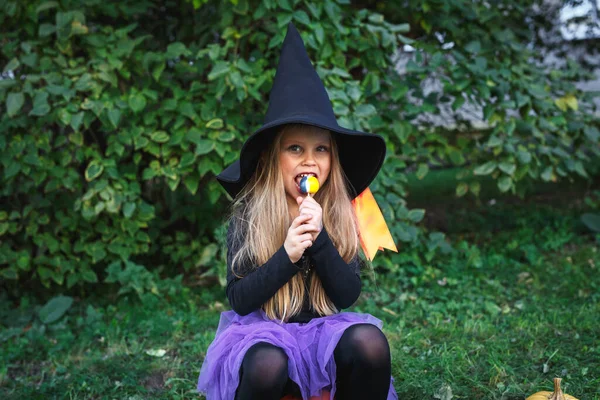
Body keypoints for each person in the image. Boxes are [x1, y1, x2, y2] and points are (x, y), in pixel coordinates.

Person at [197, 23, 398, 400]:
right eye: (295, 149)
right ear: (275, 158)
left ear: (332, 160)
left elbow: (347, 294)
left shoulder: (338, 210)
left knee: (370, 342)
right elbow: (239, 299)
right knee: (266, 364)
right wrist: (287, 255)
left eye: (320, 149)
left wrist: (320, 238)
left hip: (323, 335)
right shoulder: (251, 214)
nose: (309, 159)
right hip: (265, 336)